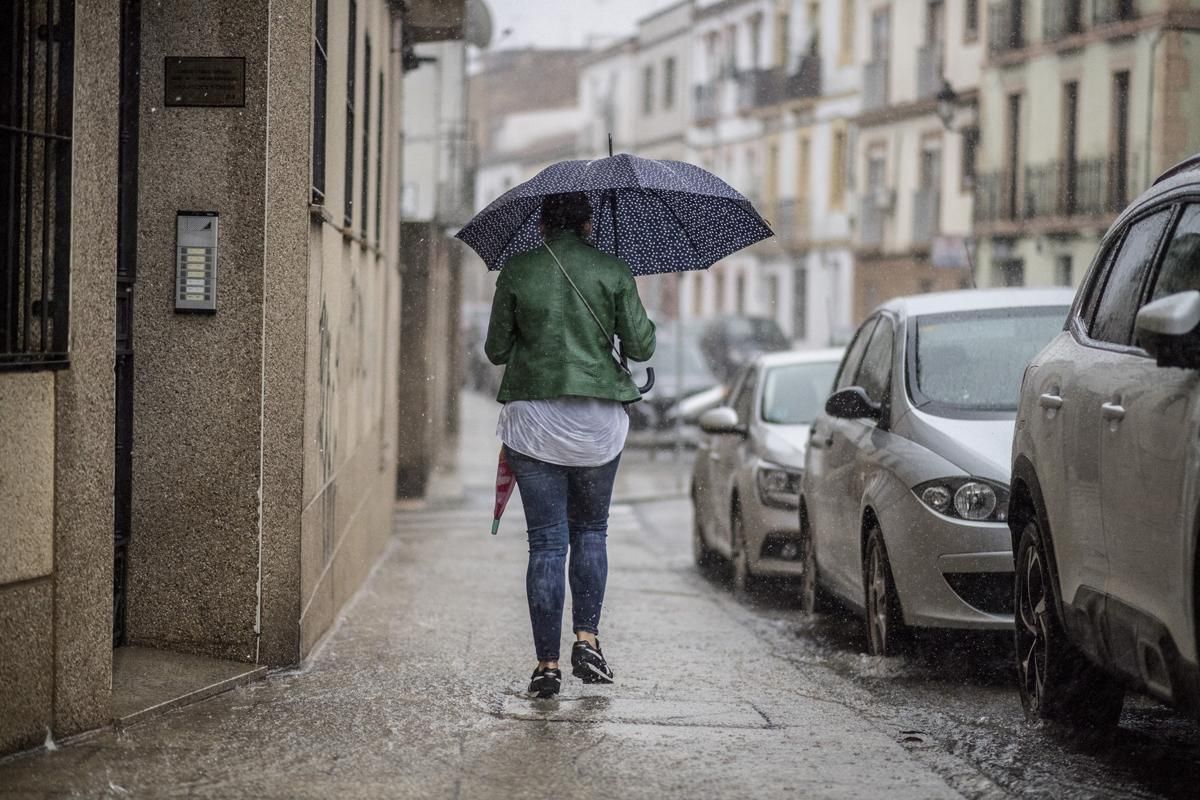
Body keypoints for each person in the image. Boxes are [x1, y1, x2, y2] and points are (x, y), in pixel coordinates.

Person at [485, 192, 656, 699]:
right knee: (591, 532)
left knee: (546, 543)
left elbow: (496, 350)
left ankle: (546, 667)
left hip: (534, 420)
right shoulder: (612, 269)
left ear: (541, 224)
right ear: (587, 223)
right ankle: (587, 639)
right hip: (597, 423)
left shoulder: (517, 270)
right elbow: (642, 347)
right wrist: (617, 292)